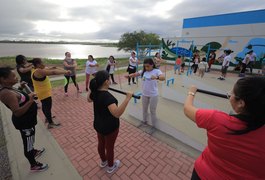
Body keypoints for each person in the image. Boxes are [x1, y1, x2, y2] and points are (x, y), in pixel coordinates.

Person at [184, 76, 265, 179]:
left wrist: (191, 92)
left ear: (241, 103)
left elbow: (187, 109)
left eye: (232, 93)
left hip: (203, 174)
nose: (229, 95)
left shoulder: (216, 120)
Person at [0, 67, 48, 172]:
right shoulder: (6, 93)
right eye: (13, 76)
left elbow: (18, 99)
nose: (16, 77)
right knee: (28, 144)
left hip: (28, 120)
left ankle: (33, 152)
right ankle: (33, 165)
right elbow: (17, 112)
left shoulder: (10, 88)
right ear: (4, 79)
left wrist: (21, 88)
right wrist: (31, 100)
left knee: (30, 140)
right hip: (24, 122)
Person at [87, 70, 132, 174]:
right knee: (109, 147)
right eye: (109, 79)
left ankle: (103, 162)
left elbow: (89, 100)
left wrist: (92, 88)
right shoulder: (108, 97)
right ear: (107, 82)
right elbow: (117, 113)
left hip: (99, 125)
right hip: (110, 128)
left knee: (101, 144)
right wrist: (127, 99)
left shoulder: (95, 93)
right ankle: (111, 166)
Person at [127, 58, 165, 133]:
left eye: (148, 66)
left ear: (152, 65)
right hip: (144, 94)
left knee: (152, 111)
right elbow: (136, 74)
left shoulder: (156, 71)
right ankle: (144, 121)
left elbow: (163, 78)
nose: (146, 68)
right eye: (145, 66)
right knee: (144, 109)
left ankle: (154, 126)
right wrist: (129, 76)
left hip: (153, 95)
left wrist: (157, 77)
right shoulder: (143, 71)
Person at [31, 58, 71, 129]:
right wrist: (66, 72)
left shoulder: (34, 69)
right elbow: (53, 72)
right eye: (42, 62)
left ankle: (47, 117)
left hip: (42, 92)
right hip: (44, 94)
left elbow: (50, 69)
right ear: (38, 65)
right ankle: (50, 123)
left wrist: (55, 68)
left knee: (45, 106)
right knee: (47, 107)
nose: (44, 64)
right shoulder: (39, 71)